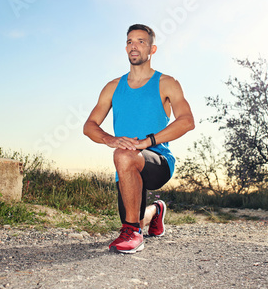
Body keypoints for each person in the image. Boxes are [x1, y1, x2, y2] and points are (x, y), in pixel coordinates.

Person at [83, 24, 194, 253]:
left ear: (152, 49)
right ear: (126, 48)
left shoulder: (167, 83)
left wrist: (147, 142)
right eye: (130, 41)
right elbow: (89, 126)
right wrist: (109, 139)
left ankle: (133, 235)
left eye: (141, 42)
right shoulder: (113, 87)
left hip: (158, 161)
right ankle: (156, 210)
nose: (134, 46)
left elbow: (186, 121)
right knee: (135, 215)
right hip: (125, 166)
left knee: (124, 157)